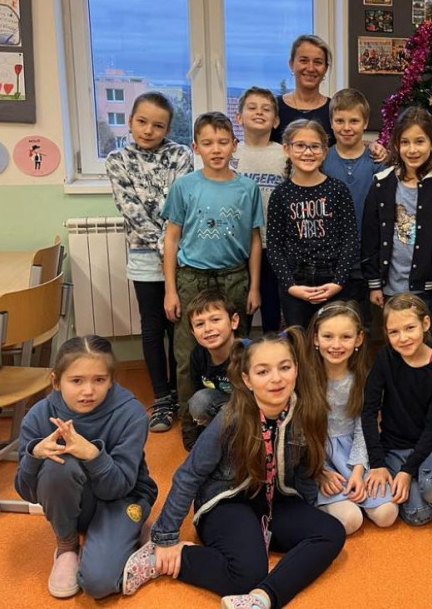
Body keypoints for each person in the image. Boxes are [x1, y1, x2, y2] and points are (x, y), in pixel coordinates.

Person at [122, 332, 345, 609]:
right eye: (263, 371)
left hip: (275, 501)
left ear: (296, 369)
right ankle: (164, 559)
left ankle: (261, 599)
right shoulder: (231, 417)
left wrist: (307, 513)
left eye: (284, 367)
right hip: (227, 501)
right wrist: (165, 537)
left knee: (331, 532)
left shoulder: (306, 411)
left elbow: (304, 470)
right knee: (246, 574)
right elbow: (189, 474)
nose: (276, 378)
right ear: (247, 380)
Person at [15, 336, 158, 599]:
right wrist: (34, 455)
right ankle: (67, 546)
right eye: (77, 381)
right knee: (57, 465)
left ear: (111, 380)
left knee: (98, 583)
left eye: (99, 380)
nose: (88, 391)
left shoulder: (132, 414)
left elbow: (119, 487)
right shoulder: (38, 415)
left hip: (122, 498)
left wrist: (92, 454)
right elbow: (26, 492)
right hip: (79, 503)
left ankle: (134, 527)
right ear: (56, 381)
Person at [162, 111, 264, 451]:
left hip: (234, 277)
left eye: (223, 142)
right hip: (192, 278)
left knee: (237, 353)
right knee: (186, 352)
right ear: (196, 147)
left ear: (234, 144)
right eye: (207, 143)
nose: (216, 149)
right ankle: (191, 424)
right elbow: (172, 239)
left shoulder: (247, 188)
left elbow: (254, 240)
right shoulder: (185, 186)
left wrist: (253, 286)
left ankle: (240, 418)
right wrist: (171, 289)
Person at [106, 91, 193, 433]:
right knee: (153, 326)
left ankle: (180, 392)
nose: (148, 130)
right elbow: (130, 210)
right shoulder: (117, 160)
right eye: (141, 122)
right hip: (145, 257)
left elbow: (180, 205)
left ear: (168, 128)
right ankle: (161, 397)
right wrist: (163, 248)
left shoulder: (180, 155)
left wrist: (171, 250)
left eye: (158, 125)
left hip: (179, 254)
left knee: (178, 325)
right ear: (130, 121)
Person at [308, 301, 399, 533]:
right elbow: (301, 431)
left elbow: (363, 427)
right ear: (316, 338)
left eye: (346, 337)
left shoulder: (364, 379)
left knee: (387, 514)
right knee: (350, 521)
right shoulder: (305, 380)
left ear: (358, 339)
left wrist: (359, 470)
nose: (336, 345)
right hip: (317, 458)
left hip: (354, 453)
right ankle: (322, 503)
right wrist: (319, 471)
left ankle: (354, 497)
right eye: (328, 336)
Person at [362, 293, 432, 525]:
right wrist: (377, 463)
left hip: (427, 446)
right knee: (419, 515)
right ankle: (412, 479)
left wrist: (407, 470)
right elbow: (369, 412)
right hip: (393, 447)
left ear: (426, 323)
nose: (403, 338)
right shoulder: (384, 358)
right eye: (394, 332)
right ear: (386, 333)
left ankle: (430, 472)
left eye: (410, 328)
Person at [363, 107, 432, 335]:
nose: (412, 150)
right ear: (396, 145)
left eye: (419, 141)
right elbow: (371, 236)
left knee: (425, 344)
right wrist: (374, 282)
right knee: (396, 343)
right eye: (405, 142)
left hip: (429, 289)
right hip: (390, 288)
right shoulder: (381, 183)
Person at [266, 119, 359, 330]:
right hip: (295, 281)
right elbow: (274, 246)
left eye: (315, 146)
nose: (308, 152)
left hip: (333, 279)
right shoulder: (280, 195)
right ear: (287, 149)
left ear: (325, 151)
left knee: (333, 338)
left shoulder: (338, 190)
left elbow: (350, 240)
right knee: (299, 341)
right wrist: (290, 286)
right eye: (300, 145)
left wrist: (338, 282)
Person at [321, 89, 386, 324]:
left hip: (367, 259)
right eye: (340, 121)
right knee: (330, 322)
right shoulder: (322, 160)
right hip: (330, 259)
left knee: (363, 325)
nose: (347, 127)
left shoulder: (378, 162)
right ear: (331, 122)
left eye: (354, 121)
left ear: (365, 123)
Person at [273, 35, 388, 161]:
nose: (311, 68)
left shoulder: (334, 109)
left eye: (318, 62)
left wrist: (372, 146)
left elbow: (349, 143)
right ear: (291, 64)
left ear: (325, 68)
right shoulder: (273, 108)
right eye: (304, 60)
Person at [233, 86, 286, 333]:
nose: (259, 113)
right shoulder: (230, 153)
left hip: (274, 245)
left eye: (266, 109)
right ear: (239, 117)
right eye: (252, 108)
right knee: (238, 309)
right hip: (237, 245)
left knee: (272, 310)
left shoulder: (285, 154)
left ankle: (271, 350)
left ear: (276, 121)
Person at [186, 289, 240, 428]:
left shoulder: (248, 354)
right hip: (221, 406)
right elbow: (197, 392)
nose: (208, 328)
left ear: (234, 321)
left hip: (250, 410)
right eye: (199, 324)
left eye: (215, 320)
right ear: (193, 332)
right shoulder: (197, 355)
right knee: (199, 401)